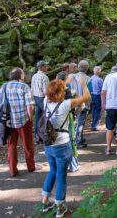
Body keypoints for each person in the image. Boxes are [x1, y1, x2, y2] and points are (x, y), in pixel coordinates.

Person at [41, 78, 90, 217]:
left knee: (53, 171)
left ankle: (45, 201)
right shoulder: (66, 104)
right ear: (62, 92)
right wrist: (83, 83)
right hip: (62, 144)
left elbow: (54, 90)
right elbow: (86, 97)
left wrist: (64, 82)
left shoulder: (45, 101)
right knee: (61, 175)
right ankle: (60, 206)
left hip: (48, 144)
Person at [0, 68, 35, 177]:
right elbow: (30, 106)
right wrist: (31, 118)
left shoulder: (4, 86)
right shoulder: (24, 86)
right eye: (23, 74)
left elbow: (0, 103)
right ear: (20, 76)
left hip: (8, 121)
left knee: (11, 146)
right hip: (23, 120)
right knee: (28, 145)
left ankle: (12, 170)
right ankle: (31, 167)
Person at [56, 71, 80, 173]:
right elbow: (81, 106)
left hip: (55, 120)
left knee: (58, 142)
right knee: (70, 141)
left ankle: (61, 165)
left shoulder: (52, 92)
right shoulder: (72, 92)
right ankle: (73, 165)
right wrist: (75, 113)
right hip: (69, 119)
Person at [68, 60, 91, 148]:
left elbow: (68, 89)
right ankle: (76, 142)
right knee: (80, 123)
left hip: (73, 103)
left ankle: (78, 139)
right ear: (87, 68)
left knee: (74, 122)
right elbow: (89, 94)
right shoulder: (88, 79)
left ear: (78, 67)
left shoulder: (71, 77)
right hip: (83, 104)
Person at [31, 61, 50, 137]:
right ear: (42, 67)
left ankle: (37, 135)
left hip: (35, 98)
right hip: (42, 98)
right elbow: (46, 91)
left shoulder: (34, 76)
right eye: (45, 66)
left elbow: (32, 88)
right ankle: (46, 134)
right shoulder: (44, 77)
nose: (47, 67)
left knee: (37, 118)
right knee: (48, 115)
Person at [90, 66, 103, 131]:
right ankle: (94, 125)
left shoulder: (91, 78)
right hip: (97, 96)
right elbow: (102, 89)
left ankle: (93, 123)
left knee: (94, 110)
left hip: (92, 95)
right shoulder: (99, 80)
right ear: (99, 72)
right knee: (98, 111)